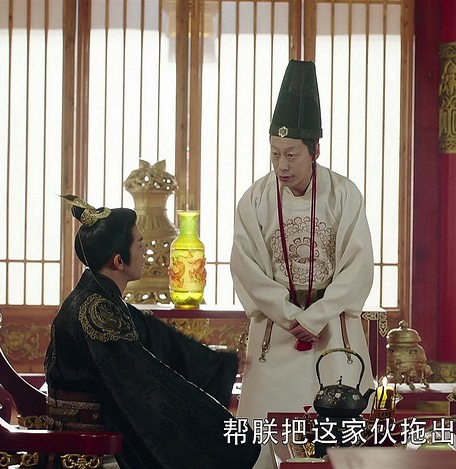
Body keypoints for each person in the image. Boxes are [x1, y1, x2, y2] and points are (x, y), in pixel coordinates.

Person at [230, 60, 374, 469]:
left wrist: (318, 315)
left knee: (341, 441)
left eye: (292, 155)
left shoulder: (344, 194)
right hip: (277, 329)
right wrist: (289, 314)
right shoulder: (255, 199)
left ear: (315, 151)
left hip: (333, 328)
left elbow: (358, 265)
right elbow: (246, 267)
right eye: (275, 154)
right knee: (262, 444)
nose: (282, 165)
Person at [45, 195, 260, 469]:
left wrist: (217, 364)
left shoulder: (99, 297)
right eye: (140, 244)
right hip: (84, 443)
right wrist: (214, 422)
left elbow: (158, 340)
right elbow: (143, 379)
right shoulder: (96, 310)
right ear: (119, 260)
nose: (146, 251)